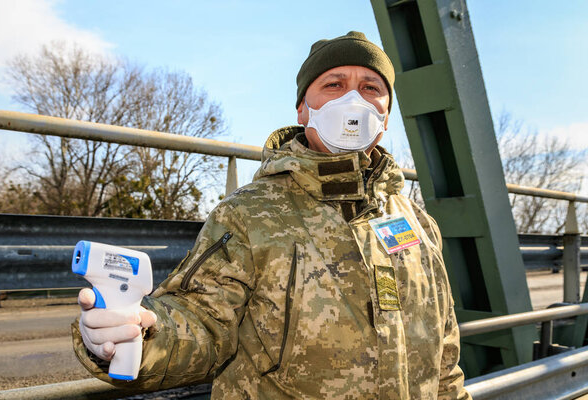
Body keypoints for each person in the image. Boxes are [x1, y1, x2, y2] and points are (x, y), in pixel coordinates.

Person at [72, 31, 470, 399]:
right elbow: (203, 322)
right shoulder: (249, 214)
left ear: (385, 115)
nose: (354, 100)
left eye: (371, 88)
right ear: (302, 109)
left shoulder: (418, 222)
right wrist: (140, 335)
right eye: (334, 84)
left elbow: (444, 357)